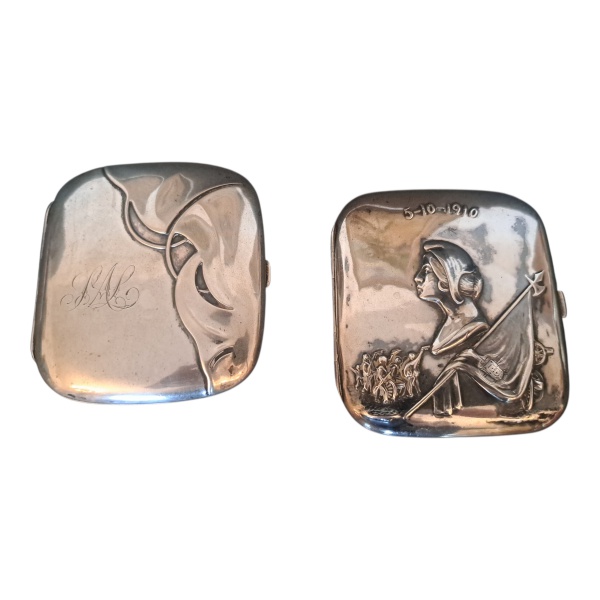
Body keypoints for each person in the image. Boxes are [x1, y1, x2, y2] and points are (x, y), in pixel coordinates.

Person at [414, 240, 489, 416]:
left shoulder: (476, 329)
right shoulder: (448, 327)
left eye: (426, 271)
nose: (417, 278)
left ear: (447, 279)